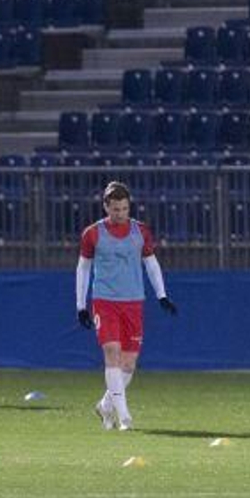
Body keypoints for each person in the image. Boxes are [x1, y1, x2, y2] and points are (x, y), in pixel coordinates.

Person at [76, 181, 177, 431]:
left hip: (133, 302)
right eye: (115, 209)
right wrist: (81, 305)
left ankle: (105, 406)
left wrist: (162, 295)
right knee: (112, 352)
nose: (120, 213)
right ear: (106, 207)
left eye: (124, 208)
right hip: (104, 301)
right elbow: (83, 268)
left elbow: (151, 263)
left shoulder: (140, 232)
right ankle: (125, 418)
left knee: (129, 364)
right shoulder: (92, 234)